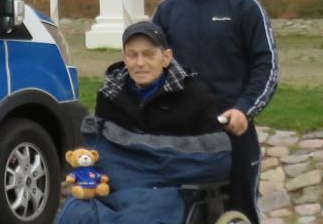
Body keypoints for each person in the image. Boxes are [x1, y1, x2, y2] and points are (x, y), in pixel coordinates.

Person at [150, 0, 278, 224]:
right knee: (180, 220)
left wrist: (244, 109)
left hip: (232, 129)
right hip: (182, 133)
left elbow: (267, 66)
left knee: (241, 214)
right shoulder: (167, 10)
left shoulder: (244, 8)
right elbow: (152, 68)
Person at [93, 20, 226, 138]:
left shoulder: (196, 96)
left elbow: (211, 149)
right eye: (132, 55)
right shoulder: (109, 95)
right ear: (124, 59)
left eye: (148, 54)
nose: (140, 63)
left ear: (166, 58)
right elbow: (99, 145)